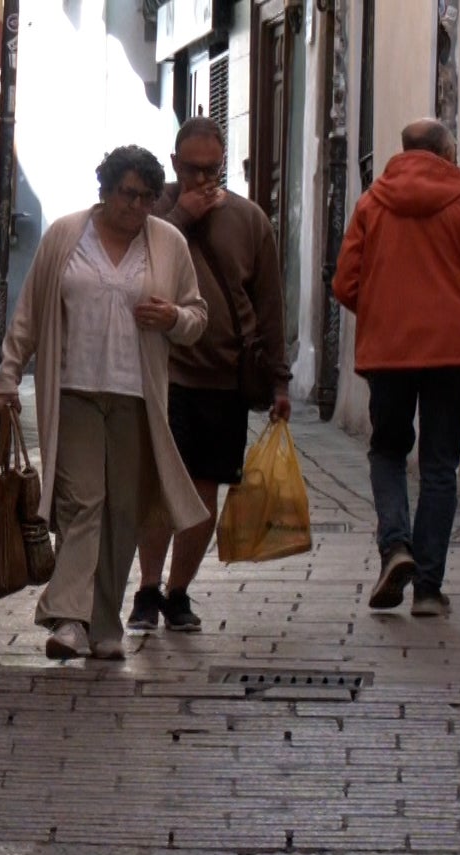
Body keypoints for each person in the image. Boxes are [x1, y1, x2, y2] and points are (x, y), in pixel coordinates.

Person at [0, 146, 211, 661]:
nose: (136, 207)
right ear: (106, 190)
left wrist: (173, 318)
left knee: (122, 511)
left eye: (147, 198)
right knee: (82, 501)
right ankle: (69, 618)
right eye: (128, 195)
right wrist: (7, 374)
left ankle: (106, 624)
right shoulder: (67, 237)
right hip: (74, 391)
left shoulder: (168, 243)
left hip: (138, 397)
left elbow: (198, 316)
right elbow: (31, 312)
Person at [333, 119, 460, 617]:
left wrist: (383, 312)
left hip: (387, 353)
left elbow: (345, 283)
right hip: (452, 354)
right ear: (446, 151)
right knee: (439, 467)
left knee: (387, 451)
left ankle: (396, 547)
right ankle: (429, 591)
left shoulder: (372, 204)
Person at [129, 117, 288, 634]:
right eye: (193, 168)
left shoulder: (249, 220)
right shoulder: (151, 212)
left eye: (211, 169)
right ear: (175, 162)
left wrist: (280, 380)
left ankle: (178, 592)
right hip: (163, 374)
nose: (202, 179)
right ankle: (147, 589)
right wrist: (179, 216)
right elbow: (132, 262)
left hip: (223, 380)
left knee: (201, 495)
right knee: (157, 489)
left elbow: (269, 306)